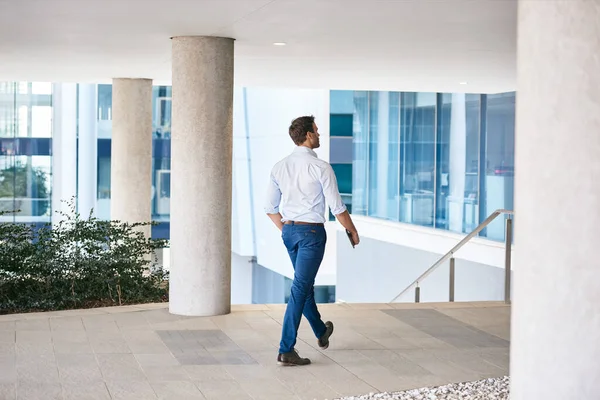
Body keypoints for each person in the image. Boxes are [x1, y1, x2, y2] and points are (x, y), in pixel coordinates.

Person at [264, 115, 360, 366]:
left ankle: (320, 331)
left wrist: (285, 229)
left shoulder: (279, 166)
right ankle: (286, 348)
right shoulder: (320, 167)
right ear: (307, 135)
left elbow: (270, 207)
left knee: (303, 285)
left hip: (290, 232)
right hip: (312, 235)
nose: (319, 135)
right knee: (300, 288)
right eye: (316, 131)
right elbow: (337, 207)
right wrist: (352, 230)